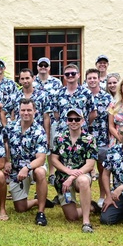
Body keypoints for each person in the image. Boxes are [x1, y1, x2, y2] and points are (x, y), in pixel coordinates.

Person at [49, 108, 98, 232]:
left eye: (77, 119)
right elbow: (54, 159)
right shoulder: (59, 138)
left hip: (80, 176)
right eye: (70, 119)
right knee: (71, 217)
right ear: (66, 121)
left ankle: (86, 222)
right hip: (62, 179)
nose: (73, 122)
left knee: (83, 181)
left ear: (82, 121)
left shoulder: (89, 139)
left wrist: (72, 176)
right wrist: (67, 172)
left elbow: (90, 164)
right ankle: (91, 207)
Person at [3, 97, 50, 225]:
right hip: (17, 170)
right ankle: (38, 200)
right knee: (20, 208)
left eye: (29, 110)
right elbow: (4, 142)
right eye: (23, 110)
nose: (26, 113)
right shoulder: (11, 127)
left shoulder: (39, 131)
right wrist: (7, 160)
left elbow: (41, 158)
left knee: (40, 172)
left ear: (35, 111)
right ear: (19, 111)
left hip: (33, 168)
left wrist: (27, 167)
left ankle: (41, 212)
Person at [85, 67, 114, 207]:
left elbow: (111, 119)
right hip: (85, 138)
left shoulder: (107, 97)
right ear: (86, 80)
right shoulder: (82, 95)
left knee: (103, 169)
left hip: (102, 137)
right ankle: (87, 197)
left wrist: (110, 138)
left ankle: (102, 196)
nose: (92, 80)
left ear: (99, 79)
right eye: (89, 78)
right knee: (86, 169)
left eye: (94, 78)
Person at [47, 64, 93, 141]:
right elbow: (56, 114)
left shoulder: (86, 93)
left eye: (73, 73)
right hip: (62, 133)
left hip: (82, 133)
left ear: (78, 75)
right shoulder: (58, 93)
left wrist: (83, 122)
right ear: (64, 76)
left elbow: (93, 113)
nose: (70, 75)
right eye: (67, 74)